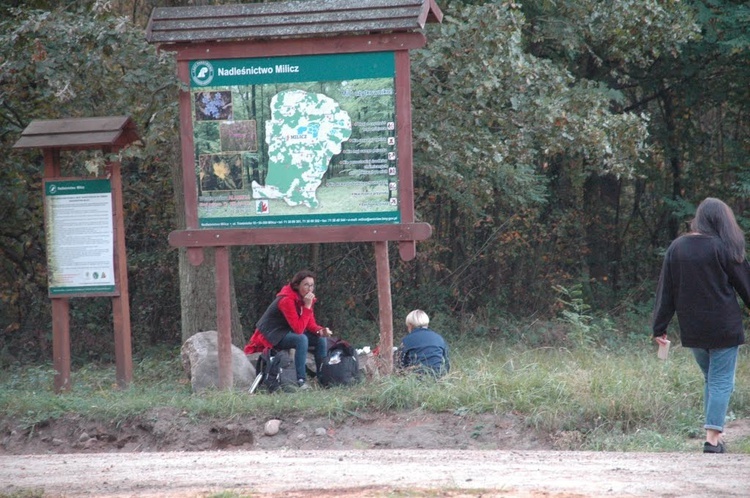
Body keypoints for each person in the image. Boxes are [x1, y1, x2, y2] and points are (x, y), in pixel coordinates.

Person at [652, 197, 750, 453]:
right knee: (720, 382)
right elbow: (746, 286)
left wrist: (659, 327)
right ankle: (711, 439)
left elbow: (666, 291)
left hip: (693, 329)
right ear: (722, 220)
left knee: (711, 379)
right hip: (725, 328)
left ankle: (713, 436)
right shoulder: (724, 247)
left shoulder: (677, 247)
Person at [244, 270, 332, 389]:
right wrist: (307, 306)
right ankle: (300, 380)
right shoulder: (287, 300)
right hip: (272, 333)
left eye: (312, 285)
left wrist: (320, 331)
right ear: (297, 286)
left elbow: (310, 324)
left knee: (320, 339)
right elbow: (299, 329)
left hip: (287, 331)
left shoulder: (306, 299)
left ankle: (323, 379)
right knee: (301, 339)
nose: (309, 289)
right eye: (306, 285)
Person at [399, 309, 450, 377]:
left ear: (410, 325)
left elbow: (400, 364)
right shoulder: (439, 338)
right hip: (437, 377)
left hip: (415, 379)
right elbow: (446, 363)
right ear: (427, 324)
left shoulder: (407, 340)